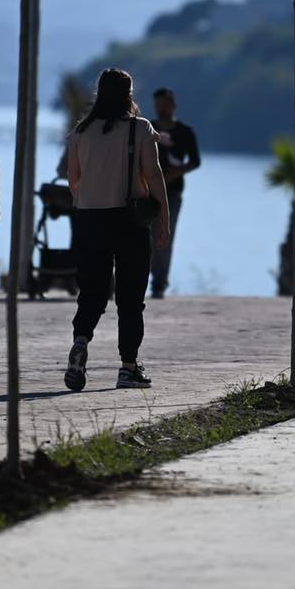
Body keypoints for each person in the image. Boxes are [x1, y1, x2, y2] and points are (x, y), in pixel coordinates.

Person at [62, 68, 171, 392]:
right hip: (129, 221)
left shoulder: (81, 131)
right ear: (129, 95)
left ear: (99, 94)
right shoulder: (140, 129)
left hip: (89, 219)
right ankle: (128, 367)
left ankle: (81, 341)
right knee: (130, 297)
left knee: (92, 293)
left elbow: (74, 182)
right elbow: (153, 175)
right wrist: (163, 219)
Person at [149, 87, 200, 299]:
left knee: (165, 236)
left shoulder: (185, 132)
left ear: (174, 105)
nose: (163, 108)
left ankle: (160, 283)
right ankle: (142, 277)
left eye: (166, 104)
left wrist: (175, 172)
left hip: (173, 193)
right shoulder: (147, 128)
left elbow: (195, 161)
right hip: (147, 191)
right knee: (145, 237)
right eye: (159, 104)